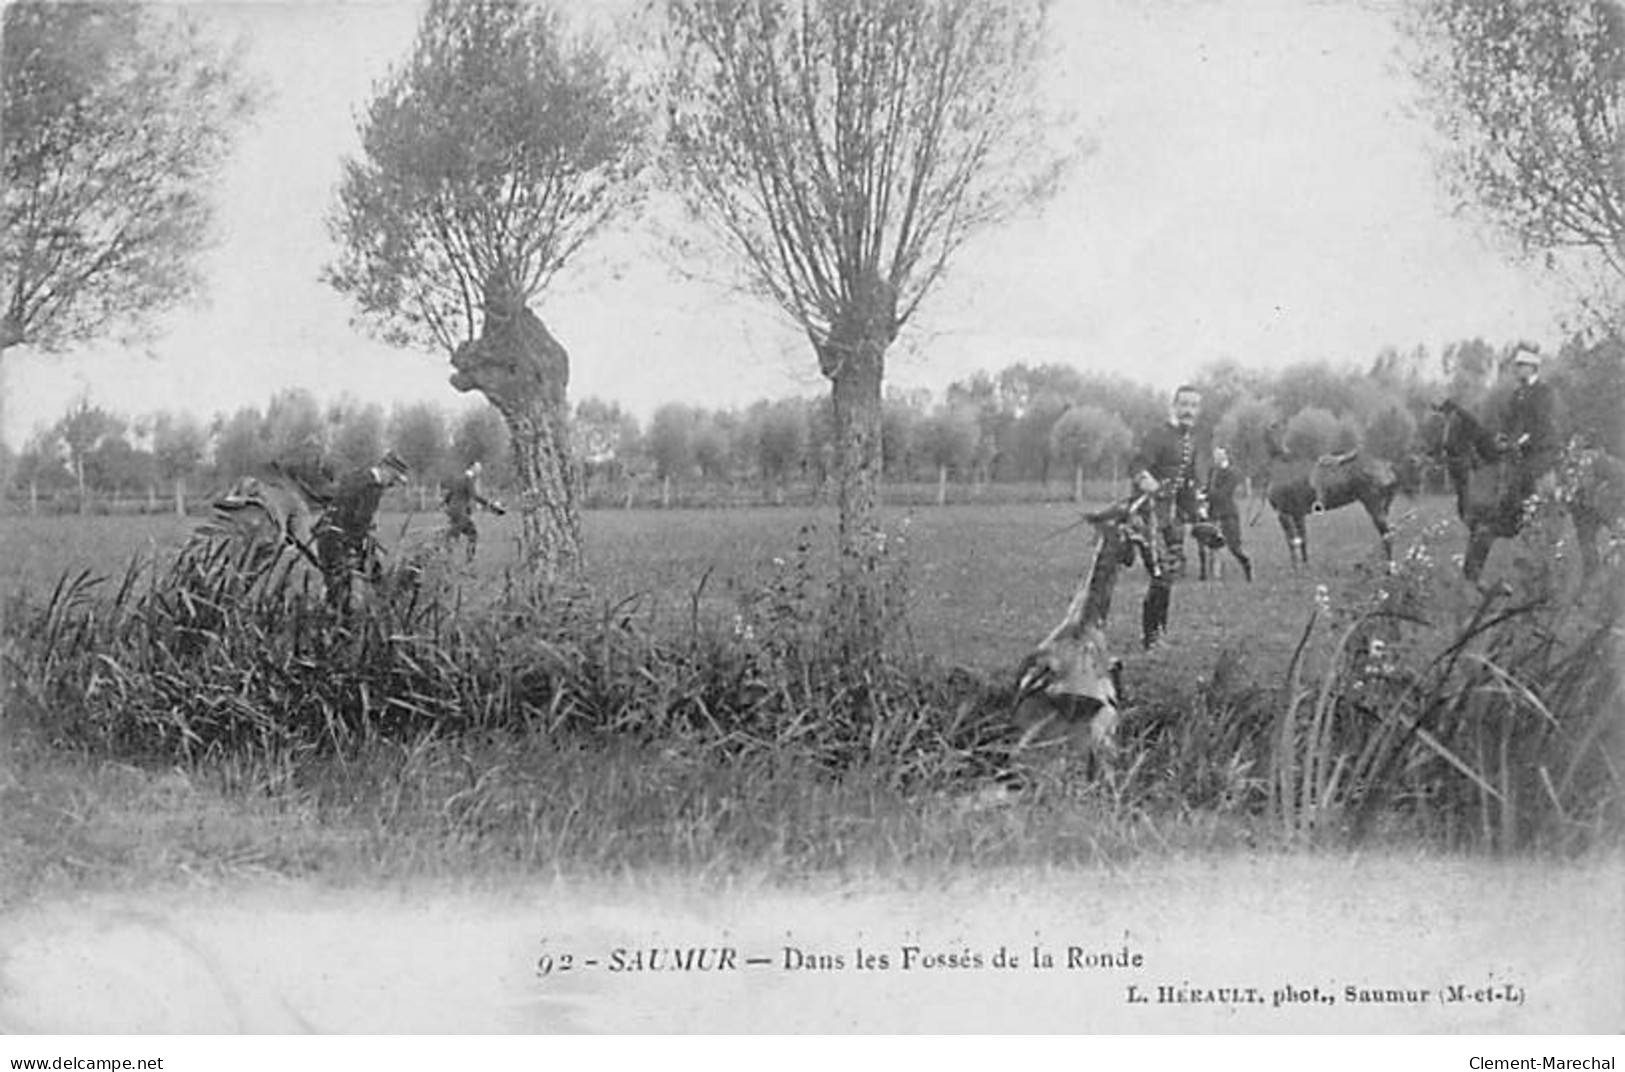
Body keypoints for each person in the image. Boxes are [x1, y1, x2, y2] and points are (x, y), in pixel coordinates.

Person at [1129, 384, 1205, 650]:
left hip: (1173, 519)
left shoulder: (1190, 441)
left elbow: (1188, 483)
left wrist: (1197, 516)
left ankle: (1160, 632)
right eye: (1184, 404)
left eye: (1194, 406)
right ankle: (1150, 637)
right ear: (1174, 406)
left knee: (1169, 575)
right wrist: (1146, 480)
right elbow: (1136, 464)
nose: (1189, 411)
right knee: (1160, 574)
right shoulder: (1158, 435)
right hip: (1148, 515)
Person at [315, 450, 411, 605]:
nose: (392, 484)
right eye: (394, 478)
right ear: (386, 469)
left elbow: (342, 504)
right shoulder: (372, 486)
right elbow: (358, 519)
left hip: (330, 534)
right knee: (340, 587)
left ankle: (380, 604)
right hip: (339, 540)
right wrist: (358, 542)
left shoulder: (358, 476)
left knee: (371, 574)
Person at [1500, 344, 1560, 518]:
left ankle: (1544, 512)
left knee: (1532, 475)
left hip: (1542, 445)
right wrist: (1503, 436)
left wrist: (1522, 440)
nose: (1516, 370)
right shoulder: (1517, 393)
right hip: (1522, 447)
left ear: (1532, 368)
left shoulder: (1544, 391)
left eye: (1520, 366)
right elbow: (1509, 420)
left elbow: (1542, 422)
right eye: (1516, 366)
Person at [1199, 446, 1253, 582]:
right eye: (1215, 454)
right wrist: (1201, 493)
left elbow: (1224, 493)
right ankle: (1215, 577)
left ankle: (1246, 567)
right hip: (1213, 513)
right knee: (1214, 547)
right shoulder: (1212, 471)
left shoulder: (1232, 473)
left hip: (1228, 514)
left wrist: (1205, 496)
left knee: (1234, 547)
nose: (1216, 457)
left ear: (1226, 456)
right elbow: (1209, 488)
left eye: (1219, 454)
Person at [442, 460, 505, 561]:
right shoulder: (468, 479)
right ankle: (468, 560)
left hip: (453, 511)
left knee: (456, 534)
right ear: (471, 467)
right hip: (460, 512)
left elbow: (449, 495)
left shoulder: (458, 478)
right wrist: (491, 504)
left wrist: (446, 506)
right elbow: (474, 496)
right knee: (471, 534)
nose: (480, 470)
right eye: (478, 467)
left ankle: (448, 557)